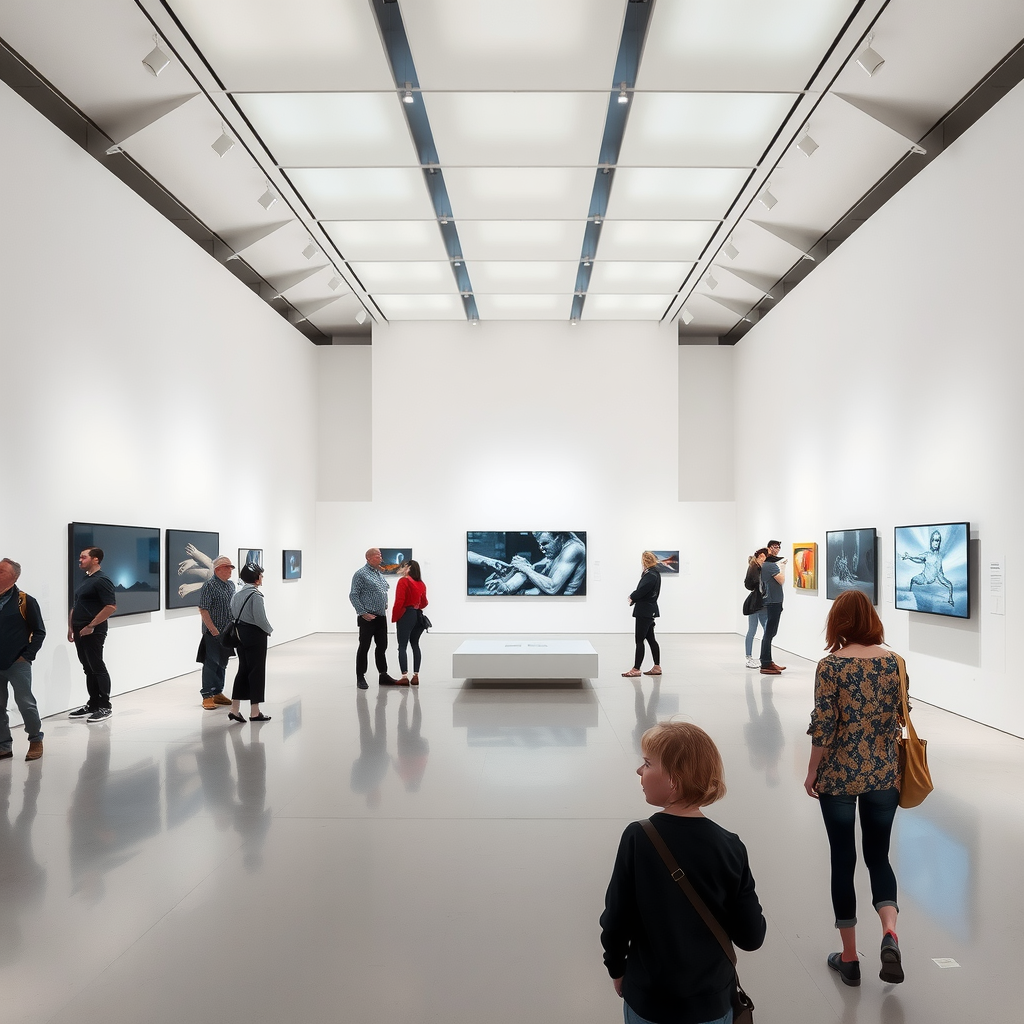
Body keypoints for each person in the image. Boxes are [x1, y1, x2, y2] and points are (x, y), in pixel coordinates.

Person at [601, 722, 766, 1024]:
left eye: (647, 763)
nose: (639, 770)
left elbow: (616, 919)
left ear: (674, 779)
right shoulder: (730, 846)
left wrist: (616, 967)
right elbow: (752, 936)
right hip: (711, 1004)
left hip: (650, 1001)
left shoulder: (638, 837)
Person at [804, 590, 905, 987]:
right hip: (883, 774)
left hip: (839, 775)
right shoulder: (894, 662)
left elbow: (824, 725)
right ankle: (890, 933)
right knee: (879, 857)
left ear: (838, 622)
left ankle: (849, 958)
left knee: (843, 860)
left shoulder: (831, 666)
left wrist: (812, 770)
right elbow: (902, 716)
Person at [0, 558, 47, 761]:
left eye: (1, 571)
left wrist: (26, 657)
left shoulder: (25, 601)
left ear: (14, 576)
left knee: (26, 704)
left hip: (17, 663)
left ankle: (35, 740)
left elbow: (39, 632)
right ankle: (4, 745)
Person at [67, 547, 117, 722]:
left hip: (93, 631)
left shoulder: (102, 580)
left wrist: (91, 626)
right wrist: (71, 627)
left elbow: (110, 606)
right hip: (79, 629)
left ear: (95, 559)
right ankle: (93, 704)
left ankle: (105, 706)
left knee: (97, 667)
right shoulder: (86, 580)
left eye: (84, 557)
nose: (80, 560)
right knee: (87, 668)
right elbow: (76, 604)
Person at [227, 562, 272, 723]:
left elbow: (232, 614)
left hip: (240, 635)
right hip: (255, 636)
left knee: (243, 670)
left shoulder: (236, 595)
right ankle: (255, 712)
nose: (262, 577)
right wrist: (269, 630)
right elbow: (260, 619)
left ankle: (234, 709)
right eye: (260, 575)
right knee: (256, 672)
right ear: (256, 578)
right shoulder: (256, 596)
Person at [472, 532, 587, 595]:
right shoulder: (556, 550)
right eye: (540, 545)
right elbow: (534, 571)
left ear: (560, 538)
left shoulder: (573, 549)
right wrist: (521, 568)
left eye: (545, 543)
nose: (542, 549)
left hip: (564, 607)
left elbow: (552, 588)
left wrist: (526, 569)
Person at [349, 547, 398, 689]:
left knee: (382, 646)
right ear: (368, 558)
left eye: (380, 555)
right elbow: (353, 595)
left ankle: (383, 674)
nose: (380, 558)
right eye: (377, 556)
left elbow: (384, 590)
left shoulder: (378, 573)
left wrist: (385, 604)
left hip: (380, 616)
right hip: (368, 618)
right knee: (364, 647)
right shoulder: (361, 574)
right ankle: (360, 677)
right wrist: (362, 612)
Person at [197, 555, 235, 709]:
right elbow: (203, 609)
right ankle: (207, 694)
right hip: (213, 633)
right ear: (218, 569)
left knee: (223, 663)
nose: (230, 570)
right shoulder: (209, 585)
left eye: (231, 568)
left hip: (227, 632)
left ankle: (218, 692)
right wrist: (212, 629)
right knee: (211, 663)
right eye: (227, 567)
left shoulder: (231, 585)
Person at [622, 551, 662, 678]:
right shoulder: (655, 573)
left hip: (644, 611)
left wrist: (632, 597)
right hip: (650, 610)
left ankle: (636, 669)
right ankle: (657, 667)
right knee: (651, 639)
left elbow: (642, 590)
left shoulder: (650, 574)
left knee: (639, 640)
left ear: (645, 561)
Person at [392, 560, 428, 686]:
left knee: (402, 646)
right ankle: (416, 676)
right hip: (417, 615)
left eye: (404, 566)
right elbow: (424, 603)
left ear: (408, 568)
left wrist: (395, 617)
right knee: (415, 644)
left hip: (406, 615)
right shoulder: (421, 584)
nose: (401, 568)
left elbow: (399, 601)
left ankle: (404, 676)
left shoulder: (403, 581)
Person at [901, 529, 954, 606]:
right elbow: (919, 559)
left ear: (939, 542)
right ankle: (911, 600)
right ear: (931, 542)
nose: (935, 543)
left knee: (950, 585)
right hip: (925, 577)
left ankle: (950, 601)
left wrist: (941, 575)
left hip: (937, 577)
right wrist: (910, 557)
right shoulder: (927, 554)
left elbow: (940, 568)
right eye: (933, 540)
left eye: (937, 540)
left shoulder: (939, 556)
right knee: (913, 580)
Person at [758, 540, 787, 675]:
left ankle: (767, 661)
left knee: (769, 633)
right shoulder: (770, 566)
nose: (777, 549)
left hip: (770, 601)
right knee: (770, 632)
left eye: (779, 547)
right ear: (769, 549)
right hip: (774, 601)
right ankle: (766, 663)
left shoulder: (765, 565)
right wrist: (783, 568)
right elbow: (781, 580)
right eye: (775, 547)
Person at [742, 548, 769, 669]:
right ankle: (749, 657)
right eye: (764, 556)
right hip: (755, 604)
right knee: (752, 630)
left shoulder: (759, 568)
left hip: (762, 604)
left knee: (767, 630)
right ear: (760, 556)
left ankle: (764, 656)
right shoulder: (754, 568)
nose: (765, 559)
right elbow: (749, 584)